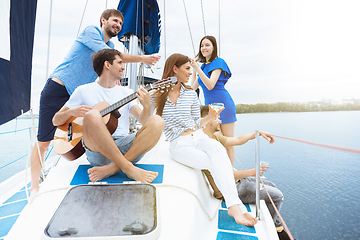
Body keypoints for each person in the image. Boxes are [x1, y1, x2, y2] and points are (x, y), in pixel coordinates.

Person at [30, 9, 161, 196]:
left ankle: (114, 165)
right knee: (44, 142)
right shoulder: (91, 32)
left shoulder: (110, 46)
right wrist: (143, 58)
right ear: (103, 20)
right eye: (115, 21)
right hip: (59, 88)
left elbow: (106, 66)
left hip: (78, 93)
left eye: (121, 24)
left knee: (90, 119)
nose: (118, 25)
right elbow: (108, 56)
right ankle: (35, 186)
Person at [152, 53, 258, 227]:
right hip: (178, 143)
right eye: (187, 68)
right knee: (214, 161)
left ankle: (234, 206)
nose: (190, 72)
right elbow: (144, 120)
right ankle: (237, 206)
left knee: (218, 150)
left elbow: (197, 124)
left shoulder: (191, 94)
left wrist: (209, 117)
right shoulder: (158, 94)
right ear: (174, 69)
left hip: (198, 136)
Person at [52, 48, 164, 187]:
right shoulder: (83, 90)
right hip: (97, 151)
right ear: (107, 65)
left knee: (158, 121)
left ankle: (112, 168)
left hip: (125, 147)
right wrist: (71, 112)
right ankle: (128, 168)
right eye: (120, 63)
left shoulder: (126, 92)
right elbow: (56, 120)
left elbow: (142, 120)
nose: (124, 67)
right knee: (93, 114)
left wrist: (147, 107)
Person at [201, 105, 291, 240]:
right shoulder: (204, 145)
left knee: (271, 184)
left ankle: (277, 224)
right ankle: (275, 228)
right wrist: (252, 172)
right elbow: (225, 176)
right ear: (207, 120)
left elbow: (238, 140)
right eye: (217, 118)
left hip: (237, 182)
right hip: (233, 188)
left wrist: (257, 133)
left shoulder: (214, 137)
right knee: (277, 196)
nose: (220, 121)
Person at [190, 36, 237, 165]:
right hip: (210, 108)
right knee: (215, 141)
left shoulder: (218, 62)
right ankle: (218, 172)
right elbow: (192, 88)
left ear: (214, 47)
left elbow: (210, 84)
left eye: (207, 45)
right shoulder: (203, 67)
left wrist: (198, 69)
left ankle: (230, 175)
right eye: (202, 46)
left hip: (224, 105)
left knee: (227, 143)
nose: (204, 48)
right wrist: (194, 70)